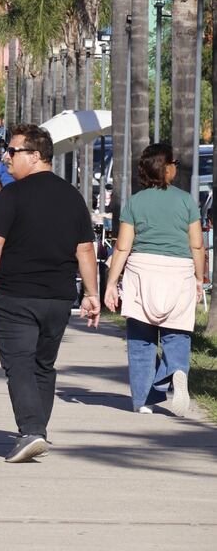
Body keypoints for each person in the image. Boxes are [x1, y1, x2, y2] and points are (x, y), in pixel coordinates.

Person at [0, 124, 99, 463]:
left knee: (19, 364)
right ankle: (36, 432)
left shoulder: (13, 195)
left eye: (13, 151)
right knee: (43, 366)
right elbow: (85, 251)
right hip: (59, 299)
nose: (6, 157)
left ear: (34, 156)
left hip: (16, 295)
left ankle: (31, 431)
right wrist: (91, 293)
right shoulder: (72, 196)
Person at [103, 143, 203, 416]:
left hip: (142, 270)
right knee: (177, 333)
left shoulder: (136, 202)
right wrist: (198, 278)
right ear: (167, 167)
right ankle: (176, 371)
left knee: (141, 338)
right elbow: (196, 246)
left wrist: (112, 284)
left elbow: (123, 247)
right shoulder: (186, 200)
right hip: (179, 270)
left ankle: (142, 401)